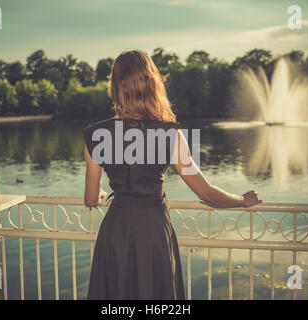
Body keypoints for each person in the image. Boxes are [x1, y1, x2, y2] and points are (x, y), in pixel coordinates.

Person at [84, 50, 262, 300]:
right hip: (153, 233)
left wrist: (103, 193)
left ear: (114, 86)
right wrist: (242, 201)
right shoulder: (172, 135)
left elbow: (91, 199)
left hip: (115, 233)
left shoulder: (95, 135)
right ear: (152, 84)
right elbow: (205, 192)